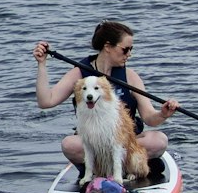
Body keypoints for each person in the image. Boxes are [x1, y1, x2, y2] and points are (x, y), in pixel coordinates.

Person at [33, 21, 179, 183]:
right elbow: (46, 101)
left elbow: (150, 118)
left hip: (125, 141)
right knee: (69, 145)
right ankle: (99, 168)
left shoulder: (130, 76)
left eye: (131, 49)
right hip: (94, 142)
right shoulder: (79, 73)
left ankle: (128, 164)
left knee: (159, 141)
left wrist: (163, 113)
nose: (129, 54)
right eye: (125, 49)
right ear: (108, 46)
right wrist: (42, 65)